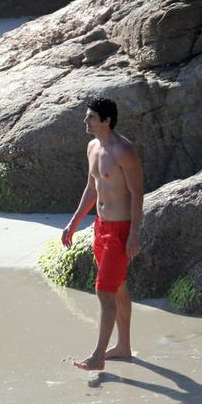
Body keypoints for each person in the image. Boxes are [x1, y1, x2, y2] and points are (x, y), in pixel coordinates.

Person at [62, 97, 144, 371]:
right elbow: (91, 188)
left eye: (91, 117)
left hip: (120, 231)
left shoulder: (124, 150)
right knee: (118, 286)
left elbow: (137, 193)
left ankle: (98, 356)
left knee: (104, 291)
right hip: (101, 227)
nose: (86, 121)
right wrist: (74, 222)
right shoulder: (92, 147)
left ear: (106, 120)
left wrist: (134, 233)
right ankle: (123, 347)